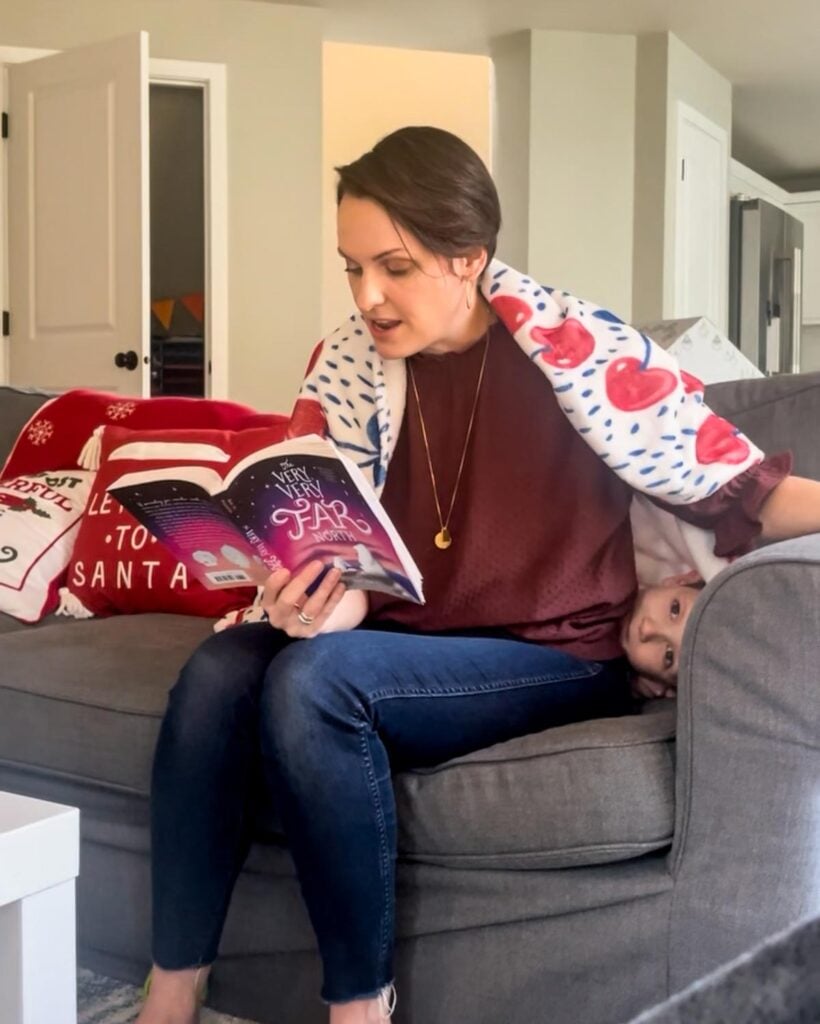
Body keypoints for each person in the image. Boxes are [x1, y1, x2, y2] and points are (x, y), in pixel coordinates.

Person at [136, 126, 820, 1024]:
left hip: (557, 655)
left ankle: (358, 1009)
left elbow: (736, 484)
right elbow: (354, 552)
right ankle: (171, 994)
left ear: (469, 256)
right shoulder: (347, 367)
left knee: (314, 685)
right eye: (350, 267)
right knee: (221, 673)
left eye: (395, 266)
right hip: (402, 643)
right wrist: (323, 596)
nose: (368, 297)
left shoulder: (579, 353)